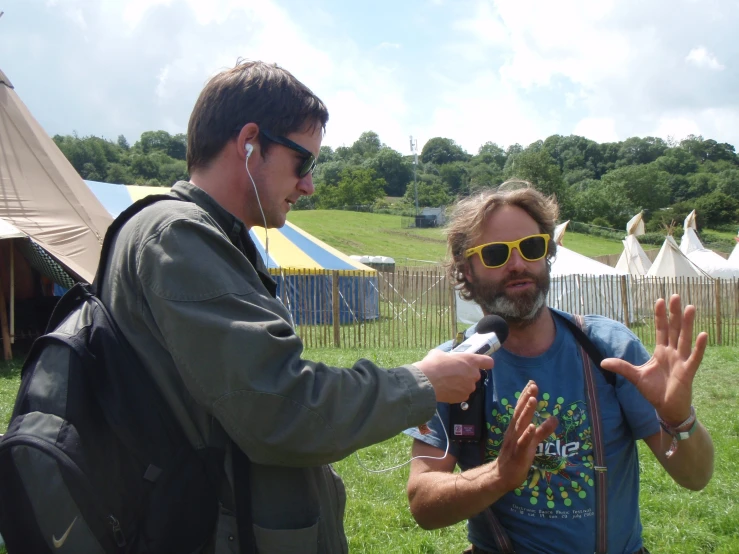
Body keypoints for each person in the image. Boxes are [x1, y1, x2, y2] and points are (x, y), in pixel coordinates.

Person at [99, 60, 492, 554]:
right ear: (249, 143)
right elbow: (280, 408)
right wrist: (422, 383)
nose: (308, 184)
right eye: (303, 162)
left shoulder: (203, 236)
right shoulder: (179, 236)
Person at [405, 183, 714, 554]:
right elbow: (423, 504)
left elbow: (696, 478)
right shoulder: (449, 367)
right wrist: (498, 476)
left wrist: (679, 420)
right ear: (465, 269)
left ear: (547, 254)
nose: (517, 264)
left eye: (531, 247)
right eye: (495, 254)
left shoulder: (609, 349)